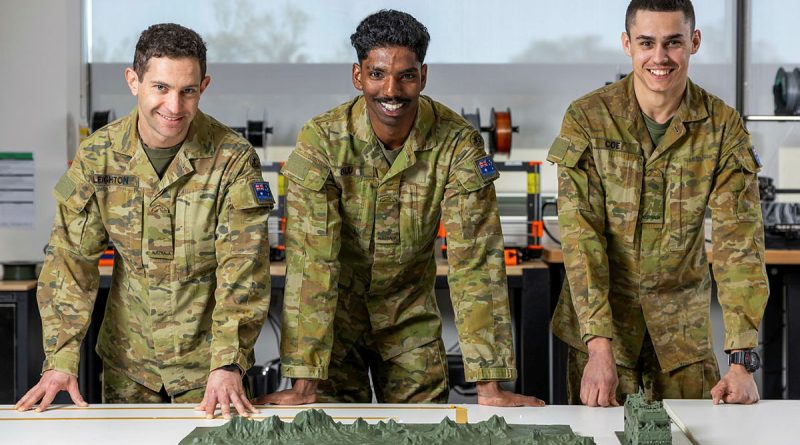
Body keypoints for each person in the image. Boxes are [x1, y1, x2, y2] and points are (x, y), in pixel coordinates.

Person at [256, 10, 543, 407]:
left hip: (411, 323)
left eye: (406, 76)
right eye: (377, 74)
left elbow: (475, 261)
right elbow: (312, 262)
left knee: (422, 432)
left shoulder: (456, 143)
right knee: (331, 431)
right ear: (359, 76)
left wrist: (489, 387)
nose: (391, 90)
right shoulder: (322, 141)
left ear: (423, 76)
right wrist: (303, 381)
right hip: (335, 329)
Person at [15, 23, 274, 419]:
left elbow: (242, 269)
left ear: (203, 86)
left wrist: (228, 362)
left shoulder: (232, 158)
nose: (174, 106)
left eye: (187, 90)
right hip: (128, 365)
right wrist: (60, 359)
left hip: (208, 370)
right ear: (133, 81)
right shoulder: (98, 156)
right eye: (161, 88)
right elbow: (71, 261)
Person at [548, 0, 768, 407]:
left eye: (673, 42)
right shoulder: (588, 118)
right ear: (627, 43)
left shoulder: (722, 127)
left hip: (682, 335)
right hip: (605, 331)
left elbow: (739, 245)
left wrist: (740, 362)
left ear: (694, 42)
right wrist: (598, 346)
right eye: (647, 42)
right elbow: (582, 239)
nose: (660, 57)